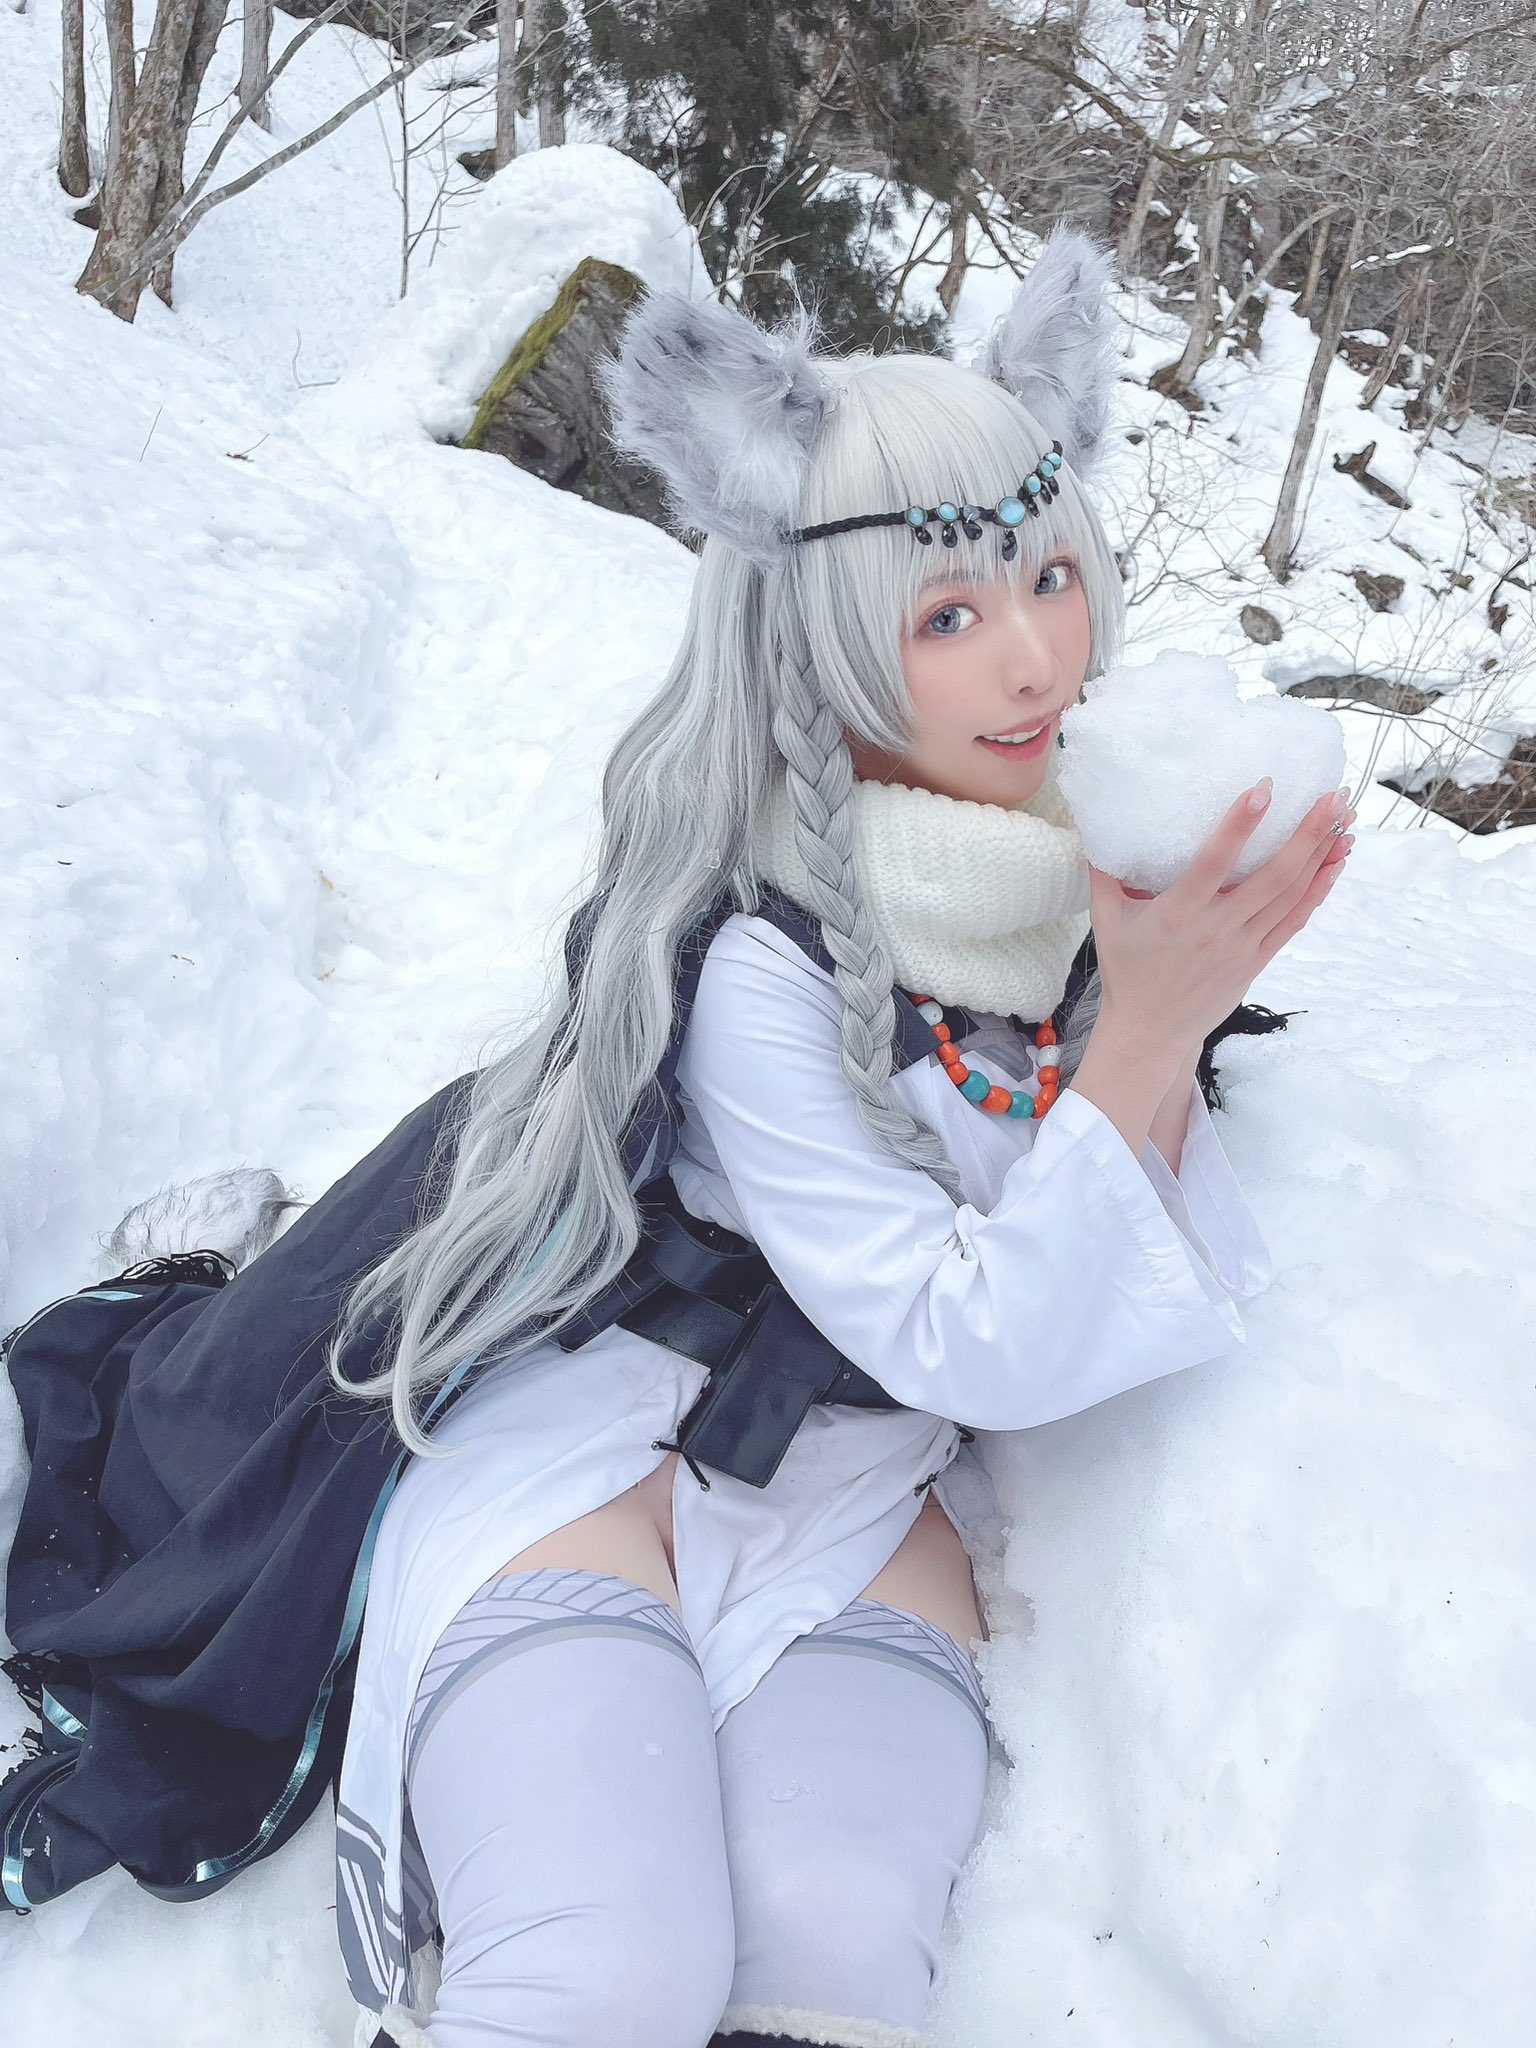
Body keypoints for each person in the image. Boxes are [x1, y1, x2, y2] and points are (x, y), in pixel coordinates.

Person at [328, 225, 1354, 2048]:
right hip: (608, 1467)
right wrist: (1154, 1021)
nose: (1034, 658)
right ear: (815, 637)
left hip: (864, 1498)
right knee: (601, 1969)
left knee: (834, 1952)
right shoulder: (759, 956)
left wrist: (1164, 993)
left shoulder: (1065, 891)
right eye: (947, 615)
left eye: (1051, 575)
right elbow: (961, 1324)